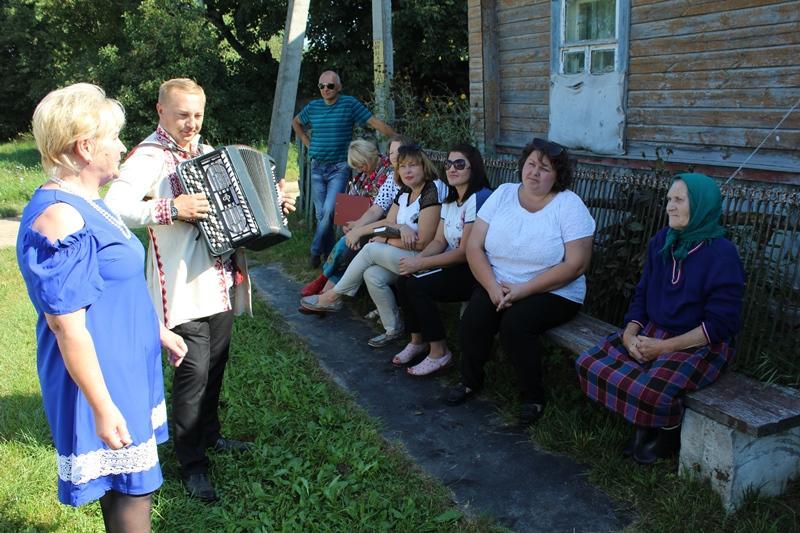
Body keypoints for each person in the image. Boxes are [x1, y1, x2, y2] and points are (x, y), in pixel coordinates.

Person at [105, 78, 294, 502]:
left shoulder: (207, 153)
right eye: (182, 115)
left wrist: (273, 204)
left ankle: (209, 435)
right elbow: (114, 206)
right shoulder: (149, 157)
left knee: (216, 365)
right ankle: (191, 463)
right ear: (161, 111)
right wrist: (171, 207)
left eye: (197, 115)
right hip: (180, 284)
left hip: (220, 280)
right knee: (192, 374)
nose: (191, 124)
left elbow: (239, 210)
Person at [17, 83, 187, 531]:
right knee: (132, 491)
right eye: (113, 137)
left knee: (127, 488)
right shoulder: (60, 216)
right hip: (102, 377)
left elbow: (116, 285)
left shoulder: (89, 201)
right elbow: (66, 326)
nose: (121, 146)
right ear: (85, 147)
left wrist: (155, 330)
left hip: (124, 364)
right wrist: (102, 405)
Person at [575, 173, 745, 464]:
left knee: (651, 389)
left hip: (701, 342)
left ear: (701, 206)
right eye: (669, 199)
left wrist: (664, 348)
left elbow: (721, 323)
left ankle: (668, 434)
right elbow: (642, 294)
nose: (669, 207)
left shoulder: (722, 254)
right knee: (589, 363)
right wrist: (630, 335)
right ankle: (642, 424)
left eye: (679, 200)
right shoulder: (661, 242)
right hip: (654, 331)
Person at [445, 138, 595, 427]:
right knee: (474, 319)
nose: (534, 172)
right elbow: (474, 246)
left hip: (554, 290)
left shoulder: (569, 205)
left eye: (545, 168)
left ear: (558, 176)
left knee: (516, 325)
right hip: (499, 282)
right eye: (531, 164)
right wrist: (491, 286)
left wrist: (522, 290)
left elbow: (576, 265)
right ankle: (469, 381)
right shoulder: (503, 194)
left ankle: (532, 397)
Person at [300, 144, 442, 348]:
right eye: (403, 166)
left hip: (425, 259)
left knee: (370, 250)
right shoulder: (405, 191)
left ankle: (332, 296)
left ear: (424, 166)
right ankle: (393, 329)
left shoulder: (432, 189)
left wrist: (386, 239)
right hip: (402, 253)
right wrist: (361, 231)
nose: (407, 171)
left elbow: (423, 243)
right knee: (372, 275)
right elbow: (387, 222)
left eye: (413, 165)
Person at [393, 143, 492, 376]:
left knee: (417, 286)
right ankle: (417, 341)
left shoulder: (478, 198)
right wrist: (418, 260)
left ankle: (439, 353)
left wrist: (421, 263)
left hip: (475, 270)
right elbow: (439, 241)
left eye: (460, 164)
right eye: (448, 164)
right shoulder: (450, 200)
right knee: (404, 279)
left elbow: (465, 252)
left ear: (474, 168)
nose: (452, 169)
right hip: (454, 264)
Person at [292, 70, 397, 268]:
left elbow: (374, 122)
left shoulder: (349, 104)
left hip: (339, 168)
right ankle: (330, 256)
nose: (325, 89)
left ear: (339, 87)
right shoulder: (313, 107)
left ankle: (315, 252)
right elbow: (296, 122)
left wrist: (398, 139)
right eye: (321, 86)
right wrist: (307, 142)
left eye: (330, 86)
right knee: (322, 215)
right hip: (317, 167)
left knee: (329, 210)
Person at [300, 135, 408, 297]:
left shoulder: (391, 173)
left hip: (384, 228)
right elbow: (369, 208)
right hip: (372, 225)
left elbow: (383, 215)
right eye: (391, 153)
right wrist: (352, 226)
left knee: (348, 245)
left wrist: (358, 230)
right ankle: (327, 287)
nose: (360, 168)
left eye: (361, 164)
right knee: (349, 242)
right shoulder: (365, 177)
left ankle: (327, 287)